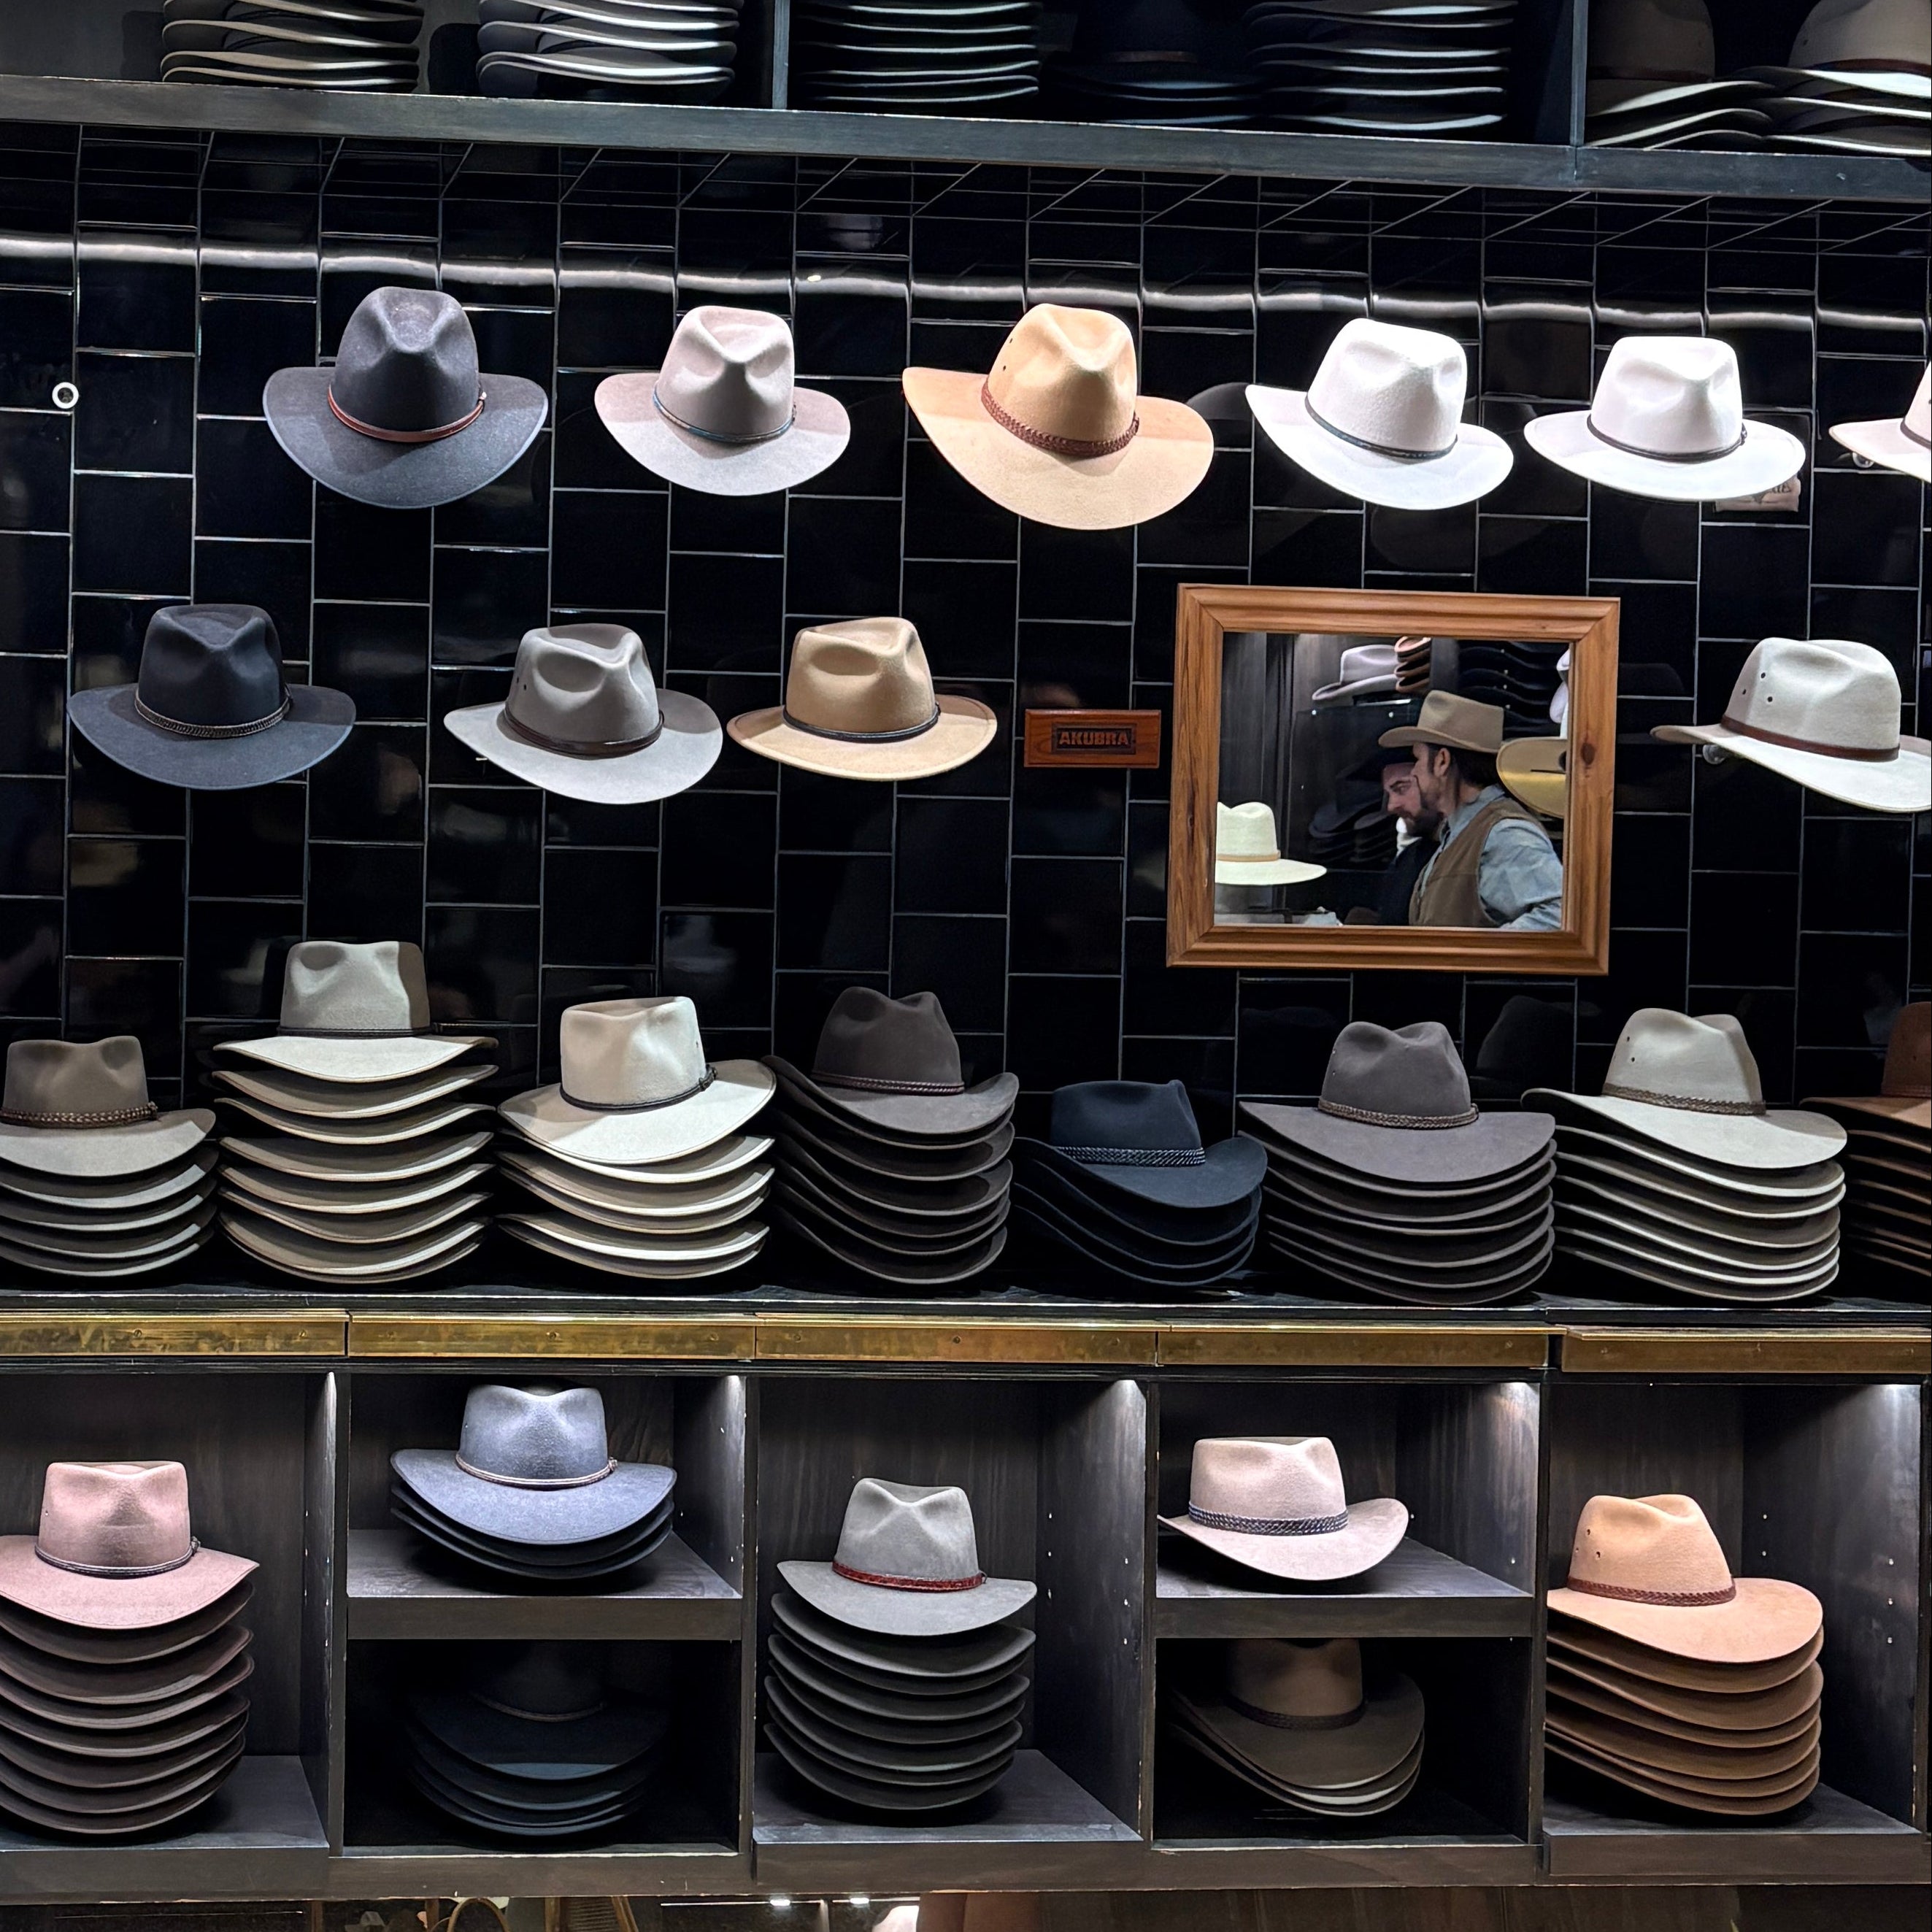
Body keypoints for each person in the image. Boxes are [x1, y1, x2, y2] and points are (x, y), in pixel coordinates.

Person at [1379, 693, 1563, 930]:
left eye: (1418, 759)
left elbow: (1559, 916)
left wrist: (1479, 958)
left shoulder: (1504, 834)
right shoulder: (1458, 832)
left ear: (1442, 761)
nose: (1414, 772)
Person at [1374, 747, 1441, 927]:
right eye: (1389, 794)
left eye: (1402, 788)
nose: (1391, 805)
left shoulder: (1486, 841)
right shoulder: (1406, 860)